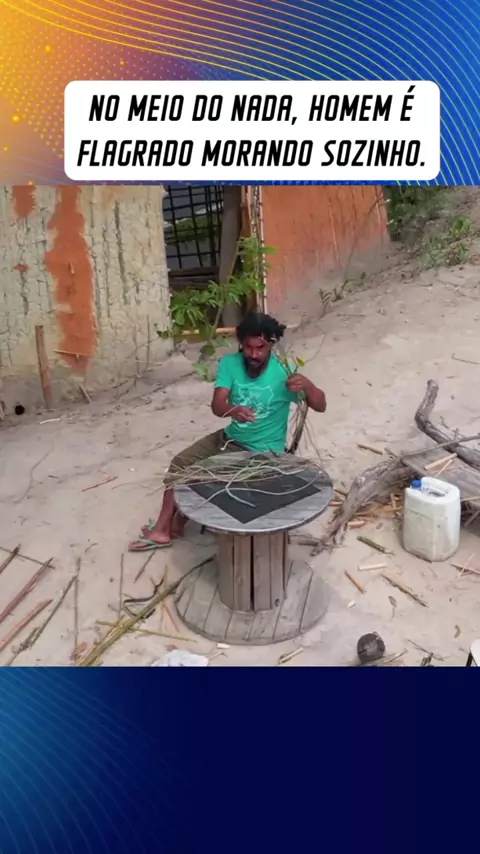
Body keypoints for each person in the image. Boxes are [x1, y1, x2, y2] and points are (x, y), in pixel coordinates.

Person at [128, 312, 326, 551]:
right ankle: (166, 528)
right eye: (248, 347)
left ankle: (172, 525)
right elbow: (217, 405)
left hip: (261, 453)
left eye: (260, 348)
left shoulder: (285, 372)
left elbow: (320, 405)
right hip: (230, 438)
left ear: (270, 346)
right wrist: (233, 410)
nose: (254, 354)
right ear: (241, 343)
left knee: (205, 476)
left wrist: (309, 386)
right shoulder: (230, 364)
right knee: (181, 463)